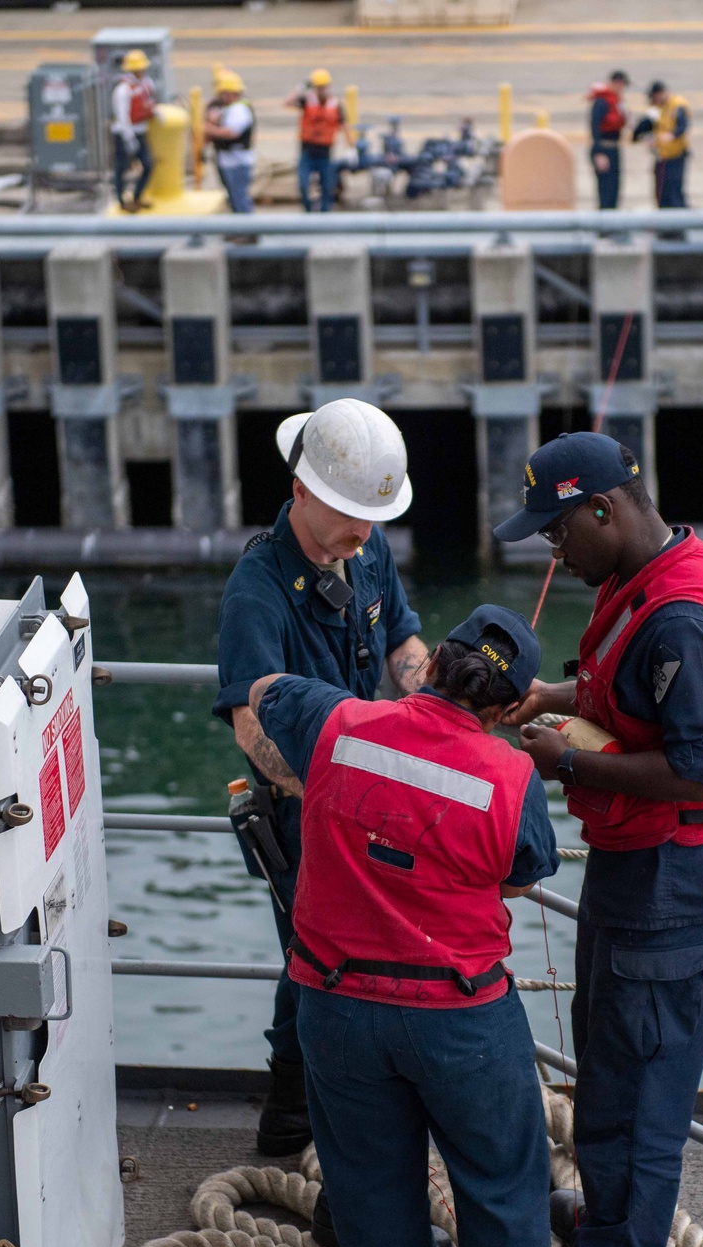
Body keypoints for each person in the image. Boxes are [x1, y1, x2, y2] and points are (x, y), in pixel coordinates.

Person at [249, 606, 615, 1247]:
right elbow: (525, 873)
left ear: (434, 665)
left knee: (372, 1189)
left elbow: (268, 690)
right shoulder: (510, 777)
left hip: (335, 1008)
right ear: (509, 706)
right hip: (458, 1019)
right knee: (504, 1196)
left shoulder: (339, 722)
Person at [493, 431, 703, 1247]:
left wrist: (564, 760)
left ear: (602, 510)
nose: (553, 552)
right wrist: (550, 695)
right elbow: (629, 690)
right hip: (642, 871)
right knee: (610, 1066)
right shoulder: (652, 575)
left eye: (557, 533)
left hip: (675, 882)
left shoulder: (684, 617)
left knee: (639, 1097)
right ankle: (608, 1218)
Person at [213, 400, 432, 1195]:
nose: (364, 535)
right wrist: (345, 792)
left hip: (366, 796)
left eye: (374, 518)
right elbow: (250, 726)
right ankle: (315, 1122)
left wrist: (443, 706)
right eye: (350, 516)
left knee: (318, 960)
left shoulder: (364, 553)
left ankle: (291, 1114)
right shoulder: (257, 591)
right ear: (300, 491)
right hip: (305, 812)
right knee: (324, 964)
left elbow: (402, 639)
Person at [283, 68, 356, 213]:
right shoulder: (307, 100)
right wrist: (301, 88)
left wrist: (351, 148)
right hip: (307, 152)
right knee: (303, 185)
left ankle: (324, 215)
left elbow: (344, 126)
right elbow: (287, 102)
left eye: (323, 87)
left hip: (325, 153)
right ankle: (308, 211)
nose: (321, 90)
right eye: (318, 87)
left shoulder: (335, 104)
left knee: (327, 187)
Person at [632, 80, 690, 209]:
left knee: (673, 192)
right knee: (662, 193)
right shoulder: (660, 109)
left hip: (674, 156)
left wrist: (671, 135)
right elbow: (646, 127)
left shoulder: (677, 105)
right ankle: (666, 224)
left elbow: (682, 126)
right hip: (663, 157)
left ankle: (676, 224)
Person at [205, 70, 256, 215]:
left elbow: (231, 132)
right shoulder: (228, 109)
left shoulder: (239, 109)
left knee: (239, 196)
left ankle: (247, 231)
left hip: (237, 160)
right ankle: (238, 229)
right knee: (233, 196)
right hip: (227, 159)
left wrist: (209, 128)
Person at [111, 49, 155, 213]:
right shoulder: (123, 90)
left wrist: (154, 113)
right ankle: (122, 201)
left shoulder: (145, 84)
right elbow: (122, 116)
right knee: (121, 168)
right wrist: (128, 137)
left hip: (141, 130)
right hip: (125, 133)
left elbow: (148, 103)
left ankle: (137, 196)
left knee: (148, 165)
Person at [588, 69, 629, 211]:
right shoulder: (602, 101)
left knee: (615, 188)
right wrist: (599, 153)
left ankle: (612, 221)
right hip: (604, 149)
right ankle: (605, 224)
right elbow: (594, 127)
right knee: (606, 189)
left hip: (614, 148)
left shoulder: (617, 102)